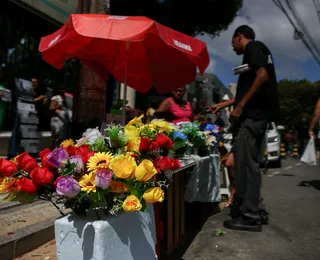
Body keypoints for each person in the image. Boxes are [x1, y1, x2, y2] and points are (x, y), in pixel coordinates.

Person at [209, 25, 280, 232]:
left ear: (239, 36)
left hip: (252, 119)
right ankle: (256, 210)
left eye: (232, 41)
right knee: (251, 166)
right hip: (257, 118)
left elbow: (262, 76)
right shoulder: (257, 53)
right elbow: (251, 88)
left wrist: (239, 107)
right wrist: (226, 104)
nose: (232, 46)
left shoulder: (253, 47)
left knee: (245, 167)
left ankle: (249, 216)